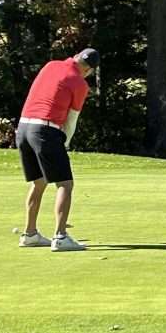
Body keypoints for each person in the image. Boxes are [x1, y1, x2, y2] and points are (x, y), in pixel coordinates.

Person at [16, 48, 99, 252]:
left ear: (75, 56)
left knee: (39, 182)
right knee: (65, 184)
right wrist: (65, 143)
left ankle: (30, 234)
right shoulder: (79, 83)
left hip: (24, 128)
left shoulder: (51, 65)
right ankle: (61, 237)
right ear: (89, 70)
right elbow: (71, 121)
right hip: (45, 130)